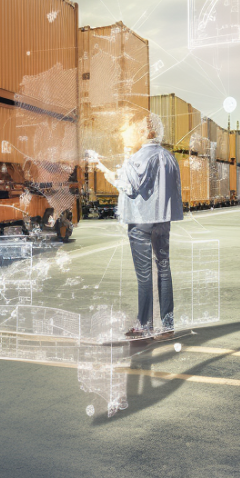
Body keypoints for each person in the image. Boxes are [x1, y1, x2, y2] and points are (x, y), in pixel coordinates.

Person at [91, 114, 183, 336]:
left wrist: (103, 168)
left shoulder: (138, 158)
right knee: (163, 268)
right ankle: (168, 323)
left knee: (144, 275)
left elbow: (129, 187)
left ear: (144, 132)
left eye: (134, 130)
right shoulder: (169, 158)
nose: (130, 134)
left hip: (141, 222)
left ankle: (144, 325)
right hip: (163, 220)